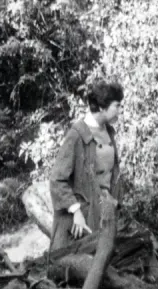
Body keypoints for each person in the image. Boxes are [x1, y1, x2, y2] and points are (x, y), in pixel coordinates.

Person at [48, 78, 122, 251]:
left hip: (104, 212)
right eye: (117, 106)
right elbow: (57, 179)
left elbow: (111, 174)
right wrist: (76, 211)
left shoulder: (108, 131)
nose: (120, 110)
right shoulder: (77, 134)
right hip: (82, 219)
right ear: (103, 107)